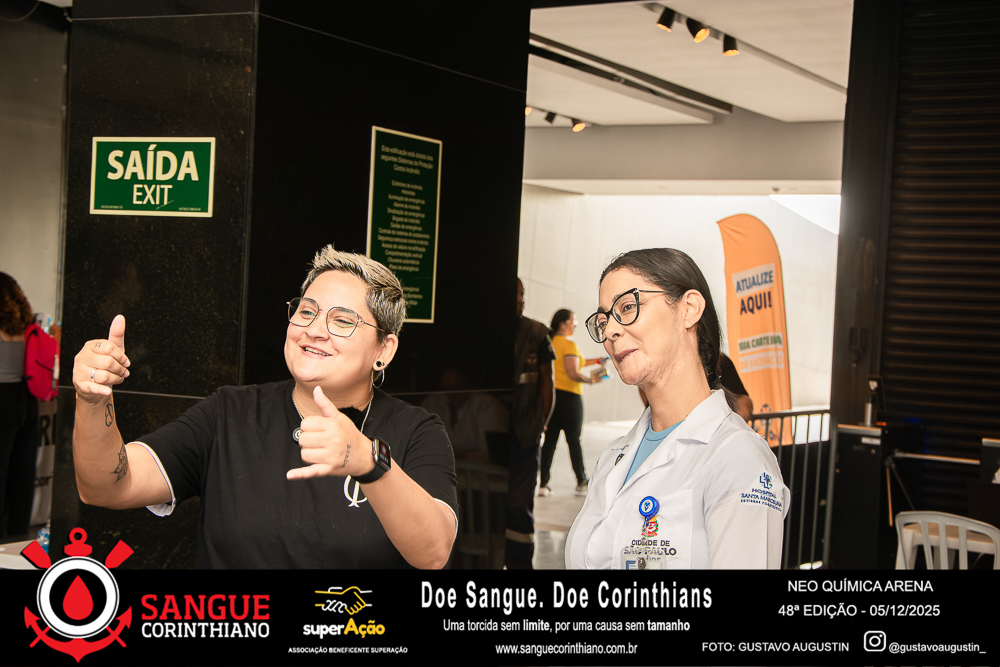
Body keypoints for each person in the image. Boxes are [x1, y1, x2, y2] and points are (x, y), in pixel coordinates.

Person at [71, 245, 457, 569]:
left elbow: (433, 553)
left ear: (384, 350)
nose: (314, 330)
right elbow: (108, 486)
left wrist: (369, 462)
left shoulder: (416, 431)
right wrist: (92, 399)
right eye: (306, 311)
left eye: (342, 321)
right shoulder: (229, 413)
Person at [565, 248, 788, 569]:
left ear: (689, 309)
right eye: (603, 321)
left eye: (627, 307)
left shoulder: (738, 458)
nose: (610, 331)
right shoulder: (613, 457)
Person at [505, 278, 555, 569]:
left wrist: (541, 423)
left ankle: (520, 563)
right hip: (491, 429)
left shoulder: (537, 333)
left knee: (520, 502)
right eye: (516, 294)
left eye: (523, 294)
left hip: (525, 430)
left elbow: (548, 381)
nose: (520, 299)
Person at [539, 309, 604, 497]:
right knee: (574, 440)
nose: (575, 324)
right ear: (562, 324)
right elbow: (573, 372)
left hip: (551, 398)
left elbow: (576, 362)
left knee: (549, 442)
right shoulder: (569, 345)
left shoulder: (549, 342)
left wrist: (597, 361)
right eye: (572, 321)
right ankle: (581, 481)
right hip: (570, 400)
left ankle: (543, 483)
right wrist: (591, 381)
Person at [0, 273, 39, 538]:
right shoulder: (27, 325)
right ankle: (17, 535)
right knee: (22, 470)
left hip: (2, 398)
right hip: (27, 398)